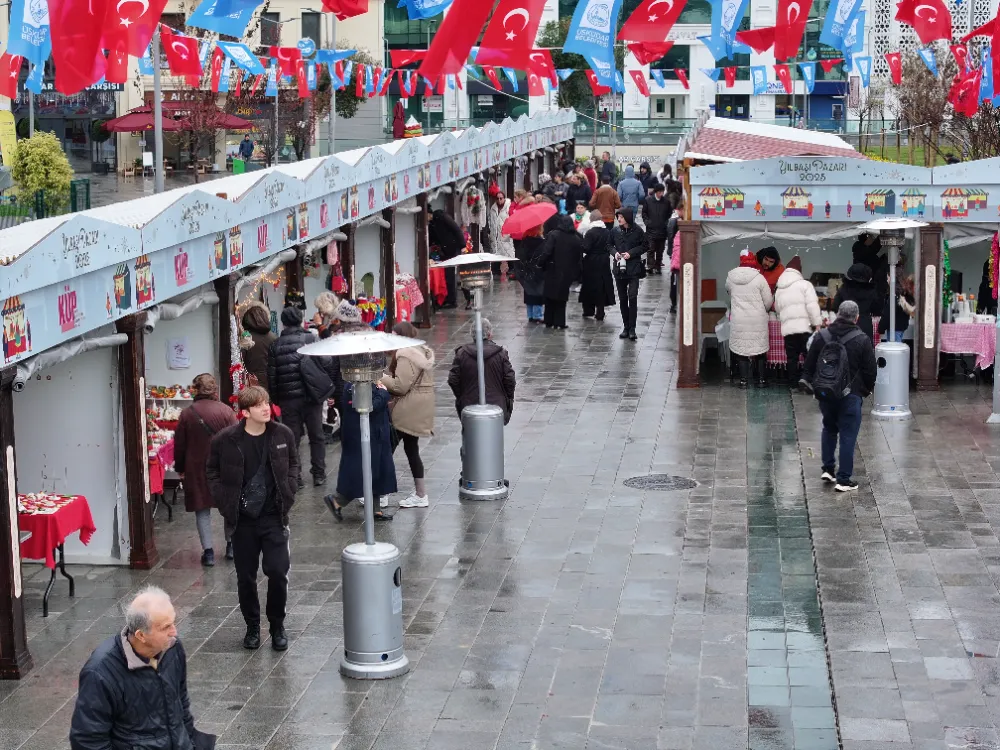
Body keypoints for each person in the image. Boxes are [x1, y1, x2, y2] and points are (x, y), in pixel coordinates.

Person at [207, 386, 298, 651]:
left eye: (267, 403)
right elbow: (211, 470)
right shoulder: (225, 440)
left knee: (278, 572)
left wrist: (289, 490)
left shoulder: (283, 434)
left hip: (273, 517)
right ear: (245, 412)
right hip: (242, 521)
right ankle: (252, 627)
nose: (265, 408)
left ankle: (277, 625)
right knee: (245, 577)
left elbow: (293, 463)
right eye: (258, 405)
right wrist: (223, 499)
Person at [70, 586, 216, 750]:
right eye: (165, 627)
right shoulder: (100, 673)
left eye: (173, 622)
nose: (174, 632)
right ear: (141, 635)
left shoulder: (172, 648)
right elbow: (88, 740)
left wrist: (192, 743)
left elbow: (181, 702)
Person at [803, 300, 877, 492]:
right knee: (848, 435)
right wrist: (865, 390)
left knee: (829, 427)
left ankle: (828, 469)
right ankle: (844, 479)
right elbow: (870, 371)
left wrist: (814, 385)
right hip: (850, 395)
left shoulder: (822, 336)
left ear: (837, 314)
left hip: (826, 393)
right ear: (857, 317)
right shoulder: (862, 339)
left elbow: (809, 365)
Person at [173, 374, 239, 567]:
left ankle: (208, 552)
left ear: (195, 389)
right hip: (224, 467)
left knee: (202, 510)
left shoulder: (187, 414)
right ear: (214, 389)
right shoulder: (226, 412)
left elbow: (180, 445)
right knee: (228, 508)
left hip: (197, 468)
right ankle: (231, 546)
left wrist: (180, 468)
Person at [268, 306, 335, 487]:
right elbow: (326, 362)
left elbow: (272, 376)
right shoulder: (310, 339)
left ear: (283, 322)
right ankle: (319, 473)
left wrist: (276, 399)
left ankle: (295, 475)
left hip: (288, 398)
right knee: (317, 435)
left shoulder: (276, 345)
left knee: (292, 438)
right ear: (300, 320)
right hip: (311, 396)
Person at [324, 379, 397, 521]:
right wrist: (383, 393)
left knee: (376, 469)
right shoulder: (353, 386)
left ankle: (376, 510)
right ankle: (337, 501)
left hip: (376, 433)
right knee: (361, 472)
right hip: (361, 435)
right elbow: (369, 406)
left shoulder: (369, 382)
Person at [381, 322, 434, 509]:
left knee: (386, 450)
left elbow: (400, 386)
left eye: (395, 334)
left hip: (407, 409)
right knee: (411, 450)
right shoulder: (419, 351)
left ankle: (381, 494)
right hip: (417, 407)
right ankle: (421, 495)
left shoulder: (406, 355)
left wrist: (380, 377)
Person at [448, 317, 516, 424]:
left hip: (469, 405)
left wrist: (462, 396)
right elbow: (509, 379)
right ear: (489, 334)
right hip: (496, 406)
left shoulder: (462, 354)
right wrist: (508, 398)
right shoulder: (500, 354)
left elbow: (453, 379)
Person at [773, 256, 823, 388]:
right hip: (804, 327)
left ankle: (792, 383)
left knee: (792, 358)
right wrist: (817, 324)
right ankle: (807, 380)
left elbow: (777, 309)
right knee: (809, 355)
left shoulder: (780, 289)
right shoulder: (805, 285)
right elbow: (812, 306)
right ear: (799, 271)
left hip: (788, 329)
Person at [727, 249, 773, 388]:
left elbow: (729, 292)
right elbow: (768, 301)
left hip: (739, 319)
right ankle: (761, 381)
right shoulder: (759, 278)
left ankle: (743, 381)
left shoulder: (730, 277)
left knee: (742, 352)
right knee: (759, 351)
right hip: (757, 320)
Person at [537, 213, 583, 329]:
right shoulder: (576, 239)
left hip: (552, 270)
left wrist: (540, 264)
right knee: (562, 298)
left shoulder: (554, 235)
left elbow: (546, 252)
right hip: (567, 273)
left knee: (550, 296)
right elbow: (578, 257)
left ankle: (549, 320)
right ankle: (560, 322)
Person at [611, 207, 646, 341]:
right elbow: (608, 245)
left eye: (621, 217)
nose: (619, 219)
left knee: (632, 297)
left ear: (627, 218)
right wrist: (615, 254)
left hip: (633, 269)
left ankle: (632, 328)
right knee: (623, 299)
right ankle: (626, 327)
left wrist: (630, 253)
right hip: (619, 269)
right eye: (618, 217)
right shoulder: (614, 231)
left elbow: (645, 245)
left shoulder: (637, 231)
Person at [580, 209, 615, 320]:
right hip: (604, 261)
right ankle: (600, 311)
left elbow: (586, 248)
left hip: (591, 262)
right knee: (602, 286)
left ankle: (588, 310)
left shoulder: (590, 232)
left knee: (589, 285)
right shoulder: (607, 231)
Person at [833, 263, 883, 342]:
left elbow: (835, 306)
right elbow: (877, 310)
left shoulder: (844, 288)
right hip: (865, 325)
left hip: (846, 324)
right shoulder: (872, 291)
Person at [428, 209, 466, 308]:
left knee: (450, 275)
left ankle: (452, 301)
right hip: (445, 250)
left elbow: (456, 229)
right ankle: (447, 298)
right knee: (446, 275)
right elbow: (433, 238)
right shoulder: (432, 223)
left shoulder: (443, 217)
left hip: (453, 249)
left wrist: (463, 246)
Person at [240, 302, 275, 393]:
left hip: (251, 382)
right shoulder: (273, 337)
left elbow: (240, 361)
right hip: (271, 380)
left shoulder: (245, 338)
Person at [515, 225, 546, 322]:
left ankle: (530, 315)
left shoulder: (524, 241)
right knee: (538, 292)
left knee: (529, 291)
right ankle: (537, 315)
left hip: (527, 271)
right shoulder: (541, 242)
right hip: (537, 271)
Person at [640, 183, 671, 274]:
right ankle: (650, 266)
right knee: (651, 248)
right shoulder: (648, 200)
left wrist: (666, 223)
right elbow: (644, 213)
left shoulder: (666, 202)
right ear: (656, 192)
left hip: (662, 229)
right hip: (651, 229)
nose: (661, 194)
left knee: (660, 249)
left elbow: (669, 213)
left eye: (662, 192)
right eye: (659, 192)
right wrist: (647, 222)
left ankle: (658, 266)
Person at [878, 273, 915, 343]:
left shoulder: (894, 295)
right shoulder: (904, 293)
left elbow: (888, 313)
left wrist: (881, 328)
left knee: (893, 351)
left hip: (894, 328)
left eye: (888, 278)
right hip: (901, 327)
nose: (887, 280)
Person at [852, 232, 888, 300]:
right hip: (872, 281)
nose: (872, 240)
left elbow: (873, 250)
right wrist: (882, 235)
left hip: (873, 280)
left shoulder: (860, 250)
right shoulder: (861, 250)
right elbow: (873, 249)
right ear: (866, 239)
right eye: (871, 238)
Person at [489, 191, 515, 280]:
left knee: (509, 252)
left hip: (506, 233)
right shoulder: (493, 209)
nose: (499, 200)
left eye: (501, 198)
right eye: (497, 198)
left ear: (504, 198)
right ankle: (496, 270)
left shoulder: (509, 207)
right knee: (496, 252)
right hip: (495, 234)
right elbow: (491, 221)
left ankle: (512, 269)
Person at [669, 228, 681, 314]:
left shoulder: (682, 231)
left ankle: (675, 304)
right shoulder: (679, 231)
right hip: (677, 265)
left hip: (677, 265)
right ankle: (674, 304)